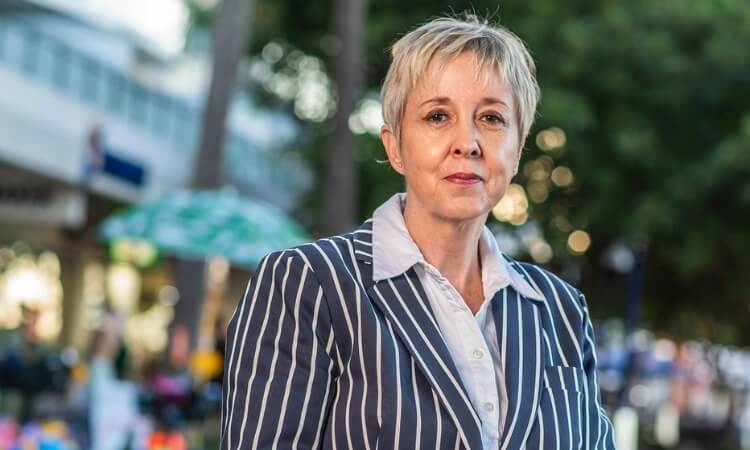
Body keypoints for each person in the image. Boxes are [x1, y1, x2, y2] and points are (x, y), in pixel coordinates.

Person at [221, 14, 616, 450]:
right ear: (394, 147)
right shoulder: (307, 286)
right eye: (438, 116)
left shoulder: (559, 310)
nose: (466, 142)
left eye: (491, 117)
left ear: (518, 148)